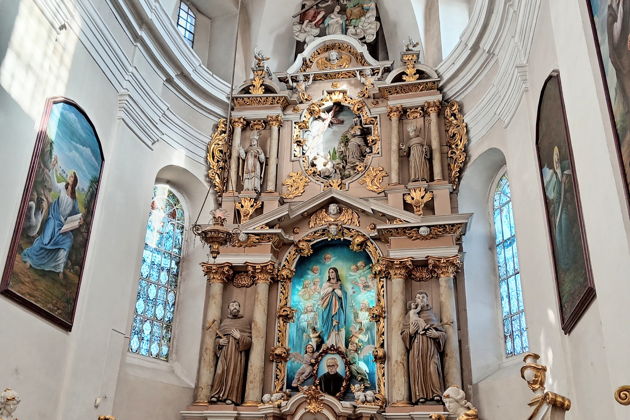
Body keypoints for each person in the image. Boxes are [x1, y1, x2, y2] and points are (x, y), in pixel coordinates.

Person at [22, 155, 82, 279]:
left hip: (62, 224)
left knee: (68, 239)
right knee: (46, 239)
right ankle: (31, 259)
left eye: (72, 176)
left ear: (75, 181)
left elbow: (76, 213)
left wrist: (79, 220)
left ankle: (58, 268)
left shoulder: (74, 199)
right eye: (70, 175)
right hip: (54, 219)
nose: (69, 177)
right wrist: (53, 168)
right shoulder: (63, 187)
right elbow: (54, 185)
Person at [401, 291, 446, 404]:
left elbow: (443, 333)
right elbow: (403, 333)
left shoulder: (433, 315)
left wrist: (437, 335)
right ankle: (419, 395)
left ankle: (437, 393)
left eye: (423, 297)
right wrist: (410, 332)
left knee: (433, 368)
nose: (420, 299)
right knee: (418, 369)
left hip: (431, 346)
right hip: (416, 346)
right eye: (418, 297)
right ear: (415, 300)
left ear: (427, 300)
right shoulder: (410, 315)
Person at [209, 300, 252, 405]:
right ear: (228, 309)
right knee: (220, 372)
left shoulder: (244, 322)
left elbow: (249, 342)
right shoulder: (225, 322)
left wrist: (240, 337)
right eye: (232, 305)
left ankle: (232, 397)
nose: (235, 307)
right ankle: (216, 394)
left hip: (237, 354)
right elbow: (217, 339)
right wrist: (220, 342)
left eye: (237, 305)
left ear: (239, 308)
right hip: (224, 352)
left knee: (234, 373)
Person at [319, 267, 347, 348]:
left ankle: (340, 346)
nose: (331, 274)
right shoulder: (326, 284)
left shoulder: (340, 284)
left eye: (332, 272)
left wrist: (336, 289)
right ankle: (329, 346)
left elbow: (342, 295)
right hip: (328, 309)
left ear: (336, 273)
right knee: (329, 325)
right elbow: (322, 294)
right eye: (330, 272)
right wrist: (332, 287)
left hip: (338, 309)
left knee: (340, 323)